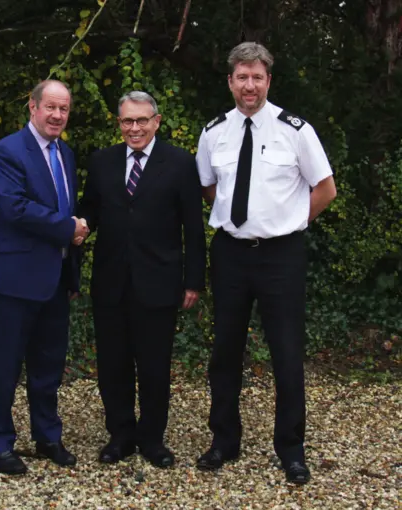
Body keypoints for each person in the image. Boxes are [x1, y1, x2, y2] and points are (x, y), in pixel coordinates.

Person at [195, 42, 337, 485]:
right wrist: (239, 221)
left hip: (282, 256)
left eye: (257, 77)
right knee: (225, 352)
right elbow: (208, 186)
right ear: (231, 81)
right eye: (242, 77)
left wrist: (289, 222)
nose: (249, 85)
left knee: (287, 353)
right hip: (232, 254)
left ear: (268, 80)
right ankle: (224, 441)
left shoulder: (295, 130)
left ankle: (291, 449)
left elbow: (325, 188)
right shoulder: (214, 131)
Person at [78, 91, 206, 468]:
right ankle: (120, 435)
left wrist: (193, 280)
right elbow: (90, 211)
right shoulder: (102, 161)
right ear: (119, 123)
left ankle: (152, 438)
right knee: (113, 365)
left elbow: (193, 227)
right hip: (111, 280)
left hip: (160, 281)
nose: (134, 128)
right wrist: (76, 229)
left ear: (156, 121)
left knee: (154, 366)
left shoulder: (181, 163)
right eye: (127, 121)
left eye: (141, 121)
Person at [0, 80, 87, 475]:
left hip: (55, 277)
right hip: (15, 277)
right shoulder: (8, 151)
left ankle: (47, 437)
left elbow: (66, 205)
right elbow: (16, 208)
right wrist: (68, 228)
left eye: (64, 109)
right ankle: (0, 442)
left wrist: (71, 242)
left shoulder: (66, 154)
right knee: (6, 365)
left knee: (48, 365)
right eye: (51, 108)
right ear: (33, 107)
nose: (57, 115)